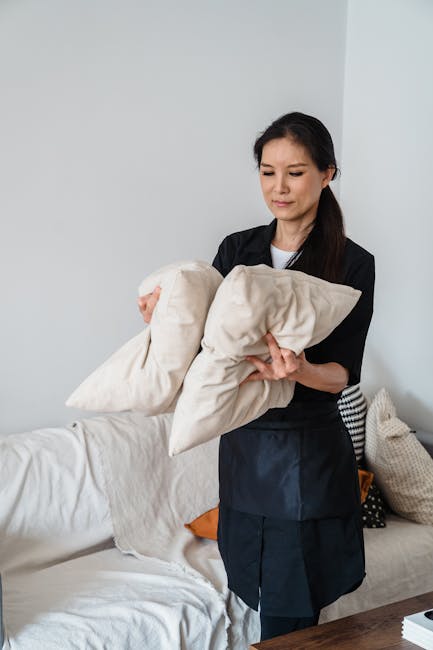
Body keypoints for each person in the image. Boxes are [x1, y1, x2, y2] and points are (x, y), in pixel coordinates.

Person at [138, 111, 375, 642]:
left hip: (307, 456)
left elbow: (343, 374)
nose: (279, 187)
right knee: (255, 585)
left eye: (295, 172)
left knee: (291, 618)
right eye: (268, 172)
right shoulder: (238, 250)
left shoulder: (352, 263)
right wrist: (165, 315)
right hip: (244, 449)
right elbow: (207, 336)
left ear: (327, 173)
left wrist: (301, 370)